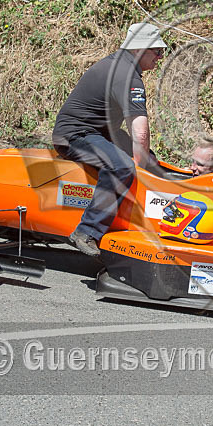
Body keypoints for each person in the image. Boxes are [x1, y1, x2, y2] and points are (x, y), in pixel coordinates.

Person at [52, 22, 167, 256]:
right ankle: (87, 231)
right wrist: (138, 166)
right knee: (123, 167)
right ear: (137, 50)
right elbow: (140, 131)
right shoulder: (126, 76)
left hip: (98, 132)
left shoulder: (122, 66)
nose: (160, 56)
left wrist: (146, 164)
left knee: (152, 163)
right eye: (157, 51)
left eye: (162, 51)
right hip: (74, 135)